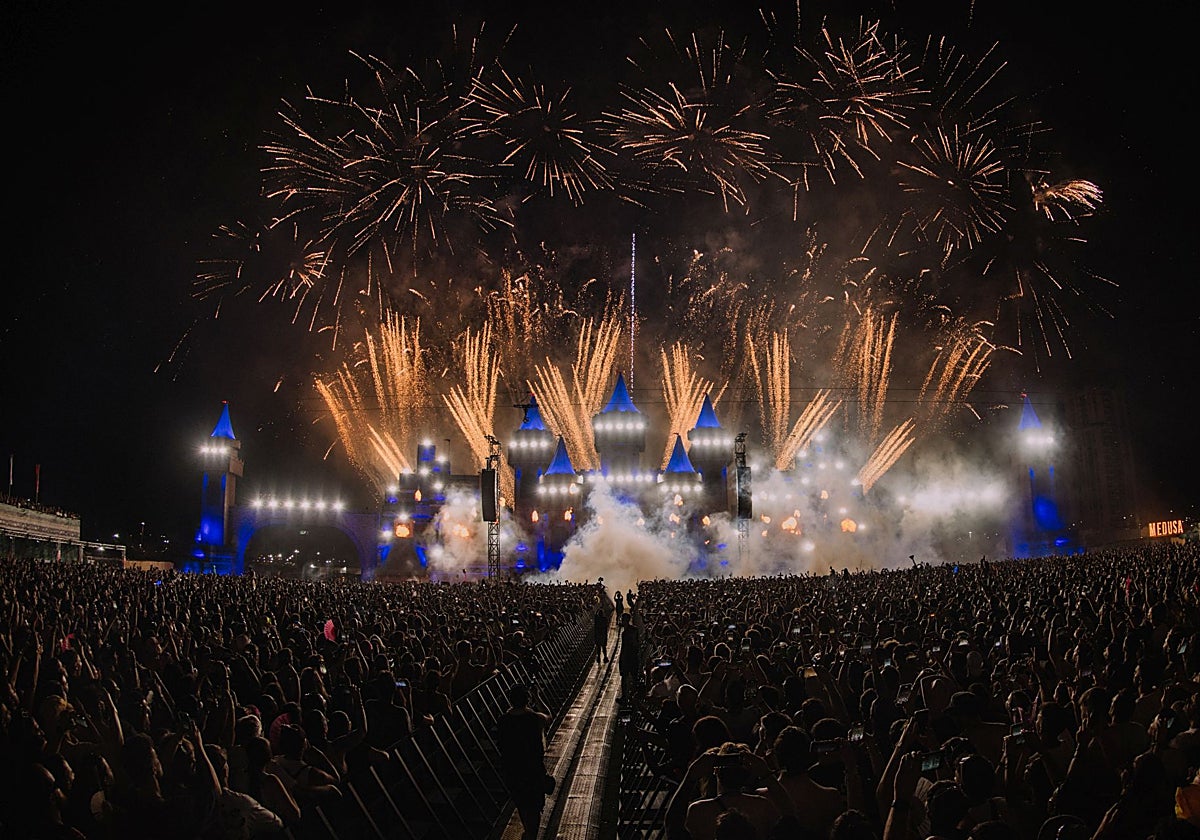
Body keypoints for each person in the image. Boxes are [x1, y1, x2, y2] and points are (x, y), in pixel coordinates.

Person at [497, 683, 552, 840]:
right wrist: (537, 696)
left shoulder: (503, 720)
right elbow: (548, 716)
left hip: (513, 771)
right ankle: (530, 834)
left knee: (522, 804)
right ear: (527, 699)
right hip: (533, 770)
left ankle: (528, 831)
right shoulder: (535, 718)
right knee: (534, 806)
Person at [618, 613, 641, 704]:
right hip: (634, 656)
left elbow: (624, 647)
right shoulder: (635, 629)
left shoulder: (625, 633)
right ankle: (634, 696)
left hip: (628, 657)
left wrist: (621, 659)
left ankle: (625, 697)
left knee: (624, 678)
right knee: (634, 677)